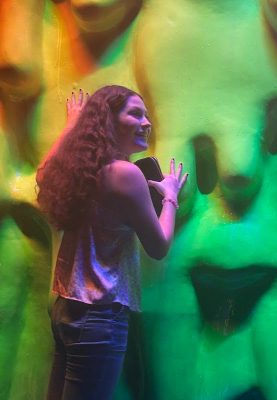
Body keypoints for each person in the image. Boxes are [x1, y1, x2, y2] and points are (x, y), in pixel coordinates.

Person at [36, 85, 188, 400]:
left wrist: (72, 126)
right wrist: (170, 196)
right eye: (135, 113)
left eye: (147, 115)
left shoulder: (81, 170)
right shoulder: (126, 174)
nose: (147, 122)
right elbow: (158, 247)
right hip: (100, 315)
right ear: (108, 120)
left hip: (66, 307)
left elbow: (43, 174)